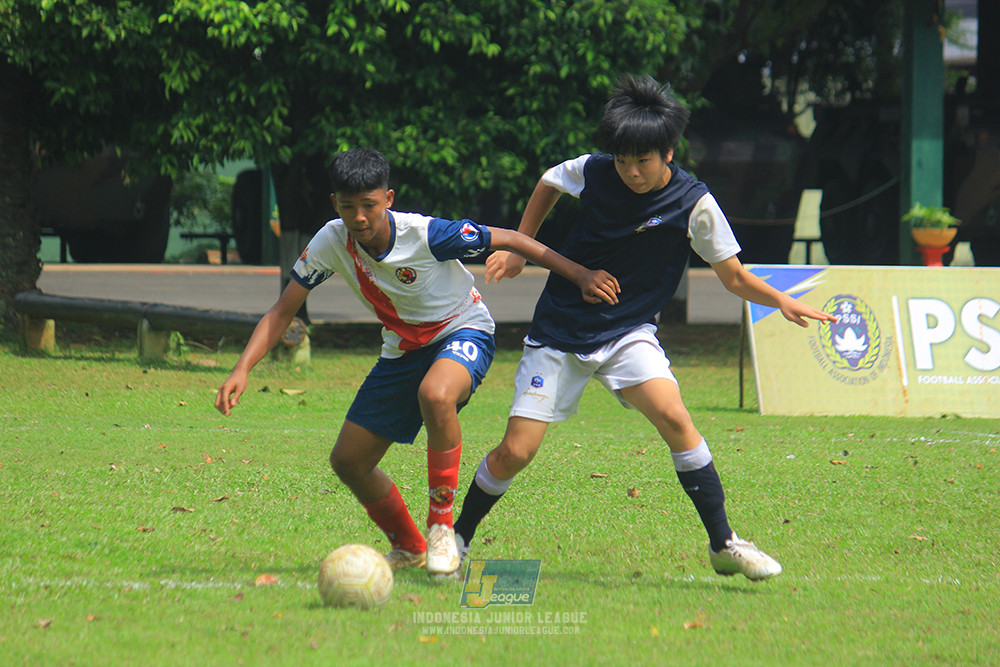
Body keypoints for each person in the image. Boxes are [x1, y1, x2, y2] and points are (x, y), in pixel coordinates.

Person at [450, 75, 838, 581]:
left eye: (643, 160)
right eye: (622, 160)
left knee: (676, 417)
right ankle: (457, 538)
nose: (631, 171)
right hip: (560, 330)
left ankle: (724, 543)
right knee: (516, 451)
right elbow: (548, 181)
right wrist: (520, 247)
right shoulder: (593, 170)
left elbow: (735, 276)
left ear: (668, 152)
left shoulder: (693, 203)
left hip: (628, 332)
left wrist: (781, 299)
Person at [215, 148, 619, 578]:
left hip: (464, 330)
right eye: (348, 207)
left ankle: (442, 528)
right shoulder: (330, 241)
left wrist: (580, 274)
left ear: (388, 199)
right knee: (349, 461)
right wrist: (242, 368)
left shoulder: (427, 234)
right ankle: (410, 547)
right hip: (402, 350)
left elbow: (512, 240)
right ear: (335, 204)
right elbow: (283, 310)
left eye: (369, 205)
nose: (359, 217)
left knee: (436, 394)